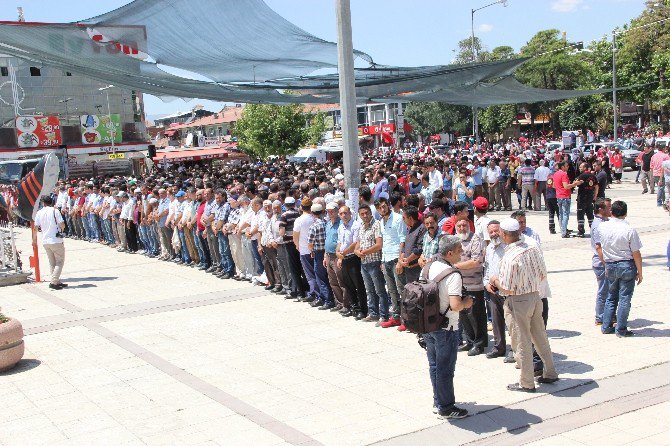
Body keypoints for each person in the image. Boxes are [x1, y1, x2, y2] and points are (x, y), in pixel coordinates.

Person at [489, 218, 559, 392]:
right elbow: (543, 274)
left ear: (505, 235)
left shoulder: (510, 256)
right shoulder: (533, 248)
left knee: (522, 341)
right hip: (535, 297)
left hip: (518, 301)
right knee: (540, 336)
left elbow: (506, 287)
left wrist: (494, 280)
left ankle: (527, 382)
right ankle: (550, 372)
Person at [424, 235, 473, 419]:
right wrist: (467, 302)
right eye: (460, 250)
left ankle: (438, 401)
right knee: (445, 368)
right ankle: (446, 407)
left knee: (434, 365)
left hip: (428, 325)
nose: (462, 253)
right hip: (447, 327)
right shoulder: (453, 275)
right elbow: (455, 305)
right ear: (450, 253)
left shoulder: (428, 267)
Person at [597, 200, 643, 338]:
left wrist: (606, 263)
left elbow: (599, 246)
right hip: (626, 265)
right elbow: (636, 253)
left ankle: (606, 326)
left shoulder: (602, 227)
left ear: (612, 212)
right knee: (624, 298)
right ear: (626, 213)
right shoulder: (629, 230)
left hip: (610, 264)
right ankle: (621, 329)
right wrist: (640, 272)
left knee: (611, 297)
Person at [454, 218, 487, 356]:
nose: (462, 228)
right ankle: (469, 341)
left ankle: (479, 344)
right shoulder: (455, 240)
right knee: (463, 314)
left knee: (475, 315)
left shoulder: (476, 239)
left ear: (469, 226)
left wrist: (455, 266)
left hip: (474, 285)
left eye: (465, 225)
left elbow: (475, 261)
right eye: (459, 226)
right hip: (459, 284)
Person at [355, 205, 390, 325]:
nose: (365, 216)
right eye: (362, 214)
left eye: (366, 213)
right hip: (364, 263)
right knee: (369, 290)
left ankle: (384, 315)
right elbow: (357, 244)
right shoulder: (361, 227)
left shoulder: (376, 225)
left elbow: (379, 244)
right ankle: (373, 313)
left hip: (374, 262)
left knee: (380, 290)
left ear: (370, 213)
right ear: (359, 215)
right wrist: (357, 251)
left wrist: (364, 252)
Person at [378, 196, 407, 328]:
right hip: (386, 258)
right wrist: (382, 260)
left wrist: (400, 260)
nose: (382, 209)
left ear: (388, 205)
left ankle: (406, 319)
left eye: (384, 206)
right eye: (379, 208)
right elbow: (384, 242)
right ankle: (396, 316)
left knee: (401, 289)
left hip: (396, 258)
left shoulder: (397, 218)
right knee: (391, 290)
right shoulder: (380, 222)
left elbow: (403, 239)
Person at [336, 205, 368, 320]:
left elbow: (355, 243)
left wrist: (342, 253)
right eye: (341, 213)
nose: (344, 215)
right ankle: (354, 307)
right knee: (348, 285)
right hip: (344, 259)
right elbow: (340, 242)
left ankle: (363, 309)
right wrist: (338, 254)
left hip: (353, 258)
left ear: (350, 213)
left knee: (358, 285)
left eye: (345, 213)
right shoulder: (341, 227)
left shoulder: (355, 225)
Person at [483, 220, 506, 359]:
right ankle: (499, 347)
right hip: (493, 290)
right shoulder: (489, 248)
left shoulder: (508, 247)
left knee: (512, 322)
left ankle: (514, 349)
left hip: (506, 290)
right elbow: (487, 269)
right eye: (491, 232)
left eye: (496, 230)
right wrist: (486, 283)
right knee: (496, 321)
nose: (493, 234)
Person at [34, 195, 68, 290]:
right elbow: (61, 224)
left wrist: (34, 239)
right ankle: (53, 281)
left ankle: (56, 281)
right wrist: (62, 228)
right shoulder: (55, 211)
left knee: (52, 262)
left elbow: (36, 227)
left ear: (43, 203)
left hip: (45, 240)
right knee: (60, 261)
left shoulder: (39, 212)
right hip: (56, 240)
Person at [591, 198, 612, 326]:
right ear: (600, 209)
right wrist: (606, 263)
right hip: (601, 262)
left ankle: (608, 315)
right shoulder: (598, 225)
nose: (610, 209)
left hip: (604, 261)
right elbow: (599, 247)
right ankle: (600, 317)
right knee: (603, 290)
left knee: (609, 289)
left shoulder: (605, 221)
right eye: (608, 207)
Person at [554, 161, 583, 238]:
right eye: (566, 166)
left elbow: (554, 185)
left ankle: (563, 229)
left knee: (561, 214)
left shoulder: (556, 174)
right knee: (565, 214)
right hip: (565, 196)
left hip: (558, 195)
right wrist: (575, 184)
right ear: (562, 167)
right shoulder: (564, 174)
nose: (568, 167)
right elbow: (566, 186)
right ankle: (564, 232)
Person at [575, 162, 598, 236]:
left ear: (585, 168)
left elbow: (576, 183)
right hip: (590, 198)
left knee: (580, 215)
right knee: (590, 215)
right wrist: (595, 196)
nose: (579, 168)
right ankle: (593, 230)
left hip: (582, 198)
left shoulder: (582, 176)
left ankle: (581, 231)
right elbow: (597, 187)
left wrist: (574, 183)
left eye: (581, 167)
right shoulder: (593, 176)